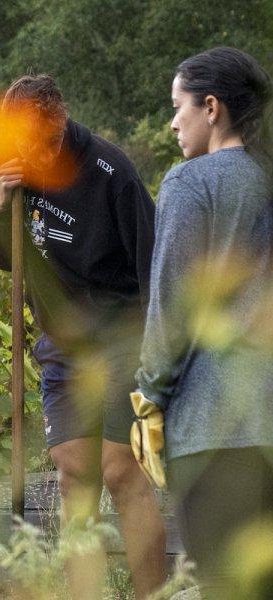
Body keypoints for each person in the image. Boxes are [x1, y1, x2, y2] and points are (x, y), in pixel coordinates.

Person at [0, 75, 166, 598]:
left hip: (123, 334)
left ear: (63, 123)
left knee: (120, 471)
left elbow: (154, 265)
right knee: (76, 475)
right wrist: (4, 203)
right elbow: (5, 257)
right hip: (62, 341)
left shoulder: (110, 171)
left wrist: (159, 360)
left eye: (50, 143)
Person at [135, 46, 273, 599]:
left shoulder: (191, 183)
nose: (172, 122)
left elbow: (172, 308)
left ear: (211, 107)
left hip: (213, 430)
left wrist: (149, 397)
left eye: (178, 106)